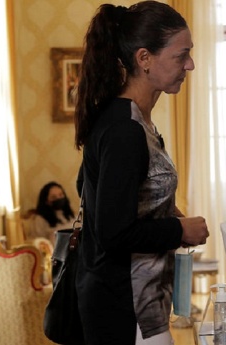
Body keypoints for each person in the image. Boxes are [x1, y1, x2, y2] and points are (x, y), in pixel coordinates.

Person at [73, 2, 210, 344]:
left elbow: (90, 187)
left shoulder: (132, 119)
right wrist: (179, 228)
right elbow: (113, 233)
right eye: (182, 55)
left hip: (133, 300)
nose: (190, 65)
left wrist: (163, 211)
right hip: (124, 306)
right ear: (145, 59)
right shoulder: (125, 129)